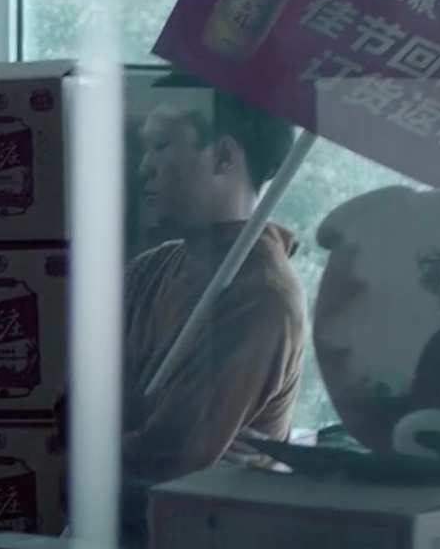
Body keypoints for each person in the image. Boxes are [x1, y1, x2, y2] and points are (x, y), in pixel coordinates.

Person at [120, 86, 308, 501]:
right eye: (146, 149)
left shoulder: (261, 298)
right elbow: (68, 408)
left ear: (223, 156)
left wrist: (127, 426)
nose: (144, 167)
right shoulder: (149, 270)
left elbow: (166, 461)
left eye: (162, 146)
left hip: (196, 534)